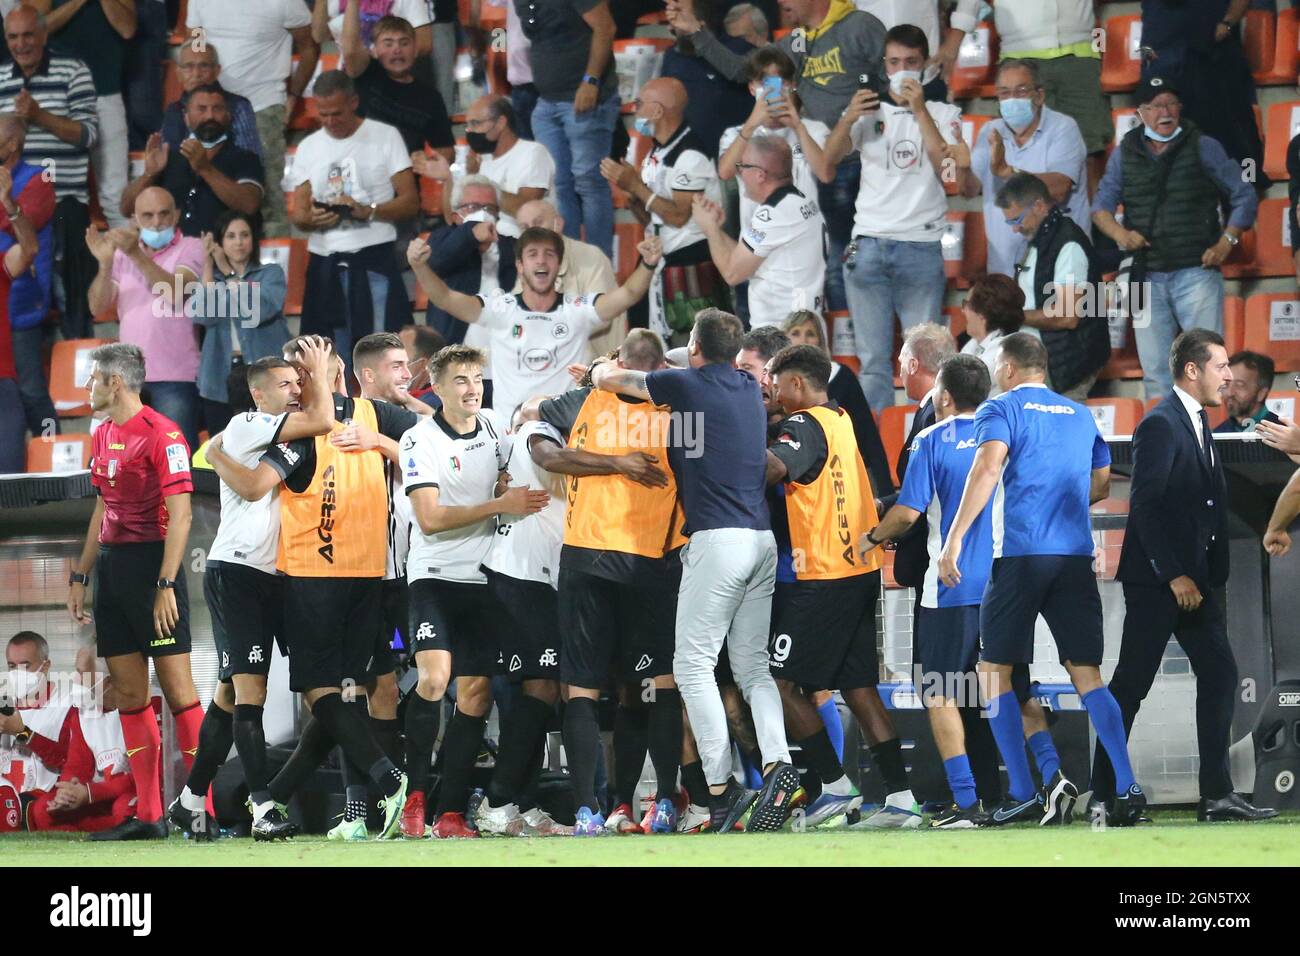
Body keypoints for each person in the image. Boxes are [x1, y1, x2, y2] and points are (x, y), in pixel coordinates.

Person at [591, 308, 798, 834]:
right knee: (752, 669)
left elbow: (614, 379)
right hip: (761, 541)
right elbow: (708, 358)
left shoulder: (684, 385)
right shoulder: (750, 390)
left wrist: (598, 368)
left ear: (695, 348)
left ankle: (721, 790)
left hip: (718, 540)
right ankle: (780, 766)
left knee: (691, 667)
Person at [936, 332, 1149, 826]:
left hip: (1021, 555)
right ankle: (1128, 785)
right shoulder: (1078, 413)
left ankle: (1023, 791)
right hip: (1075, 556)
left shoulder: (1000, 409)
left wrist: (953, 540)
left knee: (993, 672)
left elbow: (988, 469)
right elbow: (1100, 482)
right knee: (1088, 675)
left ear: (1008, 368)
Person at [207, 334, 414, 841]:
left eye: (300, 373)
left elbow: (435, 446)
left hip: (345, 578)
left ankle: (382, 784)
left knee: (336, 692)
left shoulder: (362, 418)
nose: (296, 383)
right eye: (290, 376)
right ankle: (349, 810)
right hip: (346, 575)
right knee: (340, 693)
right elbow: (257, 484)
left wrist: (384, 437)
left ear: (325, 371)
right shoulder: (304, 428)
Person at [1093, 329, 1275, 824]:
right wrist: (1174, 574)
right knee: (1132, 683)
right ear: (1191, 370)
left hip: (1195, 583)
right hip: (1160, 583)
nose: (1229, 376)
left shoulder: (1196, 422)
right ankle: (1102, 794)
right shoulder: (1160, 424)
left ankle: (1216, 795)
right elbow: (1146, 507)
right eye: (1219, 366)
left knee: (1219, 675)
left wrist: (1204, 575)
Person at [168, 342, 336, 842]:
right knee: (251, 691)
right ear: (257, 394)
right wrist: (320, 373)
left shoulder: (266, 434)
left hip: (269, 574)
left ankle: (190, 799)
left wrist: (216, 455)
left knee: (228, 694)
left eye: (296, 383)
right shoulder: (247, 424)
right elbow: (322, 421)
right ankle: (263, 807)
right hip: (237, 570)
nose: (294, 391)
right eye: (284, 385)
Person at [528, 330, 685, 836]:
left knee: (585, 689)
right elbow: (541, 447)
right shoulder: (678, 405)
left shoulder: (580, 401)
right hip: (652, 562)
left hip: (590, 560)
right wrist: (619, 464)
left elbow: (542, 445)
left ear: (615, 361)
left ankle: (590, 810)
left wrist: (596, 460)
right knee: (650, 685)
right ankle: (658, 802)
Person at [763, 343, 923, 828]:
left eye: (774, 382)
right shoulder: (841, 417)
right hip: (859, 570)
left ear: (796, 384)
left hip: (825, 575)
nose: (769, 390)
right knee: (857, 685)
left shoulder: (804, 423)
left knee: (778, 680)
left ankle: (832, 786)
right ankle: (902, 799)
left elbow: (771, 469)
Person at [665, 0, 887, 315]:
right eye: (765, 85)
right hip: (757, 243)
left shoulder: (857, 26)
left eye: (780, 84)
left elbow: (825, 170)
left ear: (792, 85)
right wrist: (753, 120)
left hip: (836, 188)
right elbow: (727, 171)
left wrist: (797, 122)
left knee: (835, 287)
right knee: (751, 313)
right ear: (754, 88)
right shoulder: (793, 45)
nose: (781, 3)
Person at [66, 343, 204, 840]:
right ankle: (149, 816)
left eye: (91, 380)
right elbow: (102, 509)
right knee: (127, 691)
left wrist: (166, 584)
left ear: (115, 383)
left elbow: (183, 515)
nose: (86, 389)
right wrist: (81, 575)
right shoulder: (101, 434)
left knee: (177, 688)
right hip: (112, 570)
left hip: (153, 567)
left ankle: (201, 810)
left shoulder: (162, 433)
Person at [399, 344, 538, 838]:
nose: (472, 387)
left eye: (477, 378)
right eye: (460, 380)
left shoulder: (496, 427)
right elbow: (431, 519)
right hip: (434, 575)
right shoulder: (420, 441)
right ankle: (413, 796)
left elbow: (515, 460)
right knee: (435, 681)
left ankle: (451, 811)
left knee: (476, 695)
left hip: (485, 578)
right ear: (436, 389)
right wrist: (500, 502)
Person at [861, 354, 994, 828]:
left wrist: (870, 539)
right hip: (1001, 582)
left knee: (939, 692)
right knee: (1002, 686)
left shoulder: (931, 439)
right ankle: (1033, 788)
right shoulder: (1003, 434)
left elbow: (908, 513)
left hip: (950, 584)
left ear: (944, 395)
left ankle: (966, 801)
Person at [821, 24, 973, 413]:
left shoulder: (943, 112)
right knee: (872, 363)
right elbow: (826, 163)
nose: (901, 69)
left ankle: (922, 445)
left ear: (925, 66)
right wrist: (848, 117)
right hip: (868, 243)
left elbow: (949, 173)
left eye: (910, 62)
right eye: (894, 62)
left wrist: (920, 109)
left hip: (920, 247)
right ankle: (875, 460)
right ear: (884, 66)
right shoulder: (867, 110)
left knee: (924, 362)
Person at [1092, 76, 1257, 400]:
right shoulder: (1125, 152)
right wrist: (1121, 235)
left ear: (1180, 108)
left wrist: (1228, 242)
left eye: (1170, 103)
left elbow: (1244, 195)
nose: (1164, 112)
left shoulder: (1203, 145)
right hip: (1146, 275)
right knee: (1156, 374)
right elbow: (1101, 208)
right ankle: (1166, 445)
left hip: (1196, 273)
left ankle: (1208, 444)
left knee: (1210, 370)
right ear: (1140, 112)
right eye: (1154, 106)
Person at [407, 226, 660, 419]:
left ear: (558, 265)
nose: (541, 261)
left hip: (568, 426)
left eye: (549, 254)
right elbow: (445, 298)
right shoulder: (500, 309)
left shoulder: (577, 309)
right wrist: (419, 266)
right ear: (519, 265)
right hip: (513, 432)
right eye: (533, 254)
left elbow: (627, 295)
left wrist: (648, 264)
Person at [290, 70, 418, 368]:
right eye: (323, 115)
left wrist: (370, 210)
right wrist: (315, 218)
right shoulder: (309, 146)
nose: (330, 121)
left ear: (354, 102)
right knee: (326, 357)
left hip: (374, 256)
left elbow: (410, 202)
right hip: (325, 259)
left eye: (337, 113)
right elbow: (299, 214)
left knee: (381, 352)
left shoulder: (385, 136)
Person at [1, 4, 98, 339]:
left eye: (29, 34)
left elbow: (89, 134)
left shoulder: (73, 71)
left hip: (64, 203)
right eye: (13, 36)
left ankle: (76, 357)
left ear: (44, 34)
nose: (21, 43)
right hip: (12, 208)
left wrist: (40, 116)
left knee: (71, 300)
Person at [599, 77, 724, 336]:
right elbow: (652, 219)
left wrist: (635, 186)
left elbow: (679, 216)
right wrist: (630, 192)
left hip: (688, 267)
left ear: (657, 110)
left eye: (639, 103)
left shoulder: (690, 154)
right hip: (657, 259)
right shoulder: (658, 153)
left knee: (688, 344)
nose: (635, 110)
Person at [185, 0, 320, 238]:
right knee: (207, 189)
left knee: (268, 195)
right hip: (211, 109)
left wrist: (293, 95)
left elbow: (309, 48)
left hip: (263, 105)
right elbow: (196, 40)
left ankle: (274, 269)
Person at [86, 187, 206, 453]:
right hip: (128, 379)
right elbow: (97, 306)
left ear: (176, 215)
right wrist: (105, 265)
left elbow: (175, 293)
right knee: (121, 460)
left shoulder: (192, 247)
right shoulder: (121, 255)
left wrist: (135, 255)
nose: (156, 222)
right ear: (135, 220)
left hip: (176, 377)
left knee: (177, 460)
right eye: (148, 215)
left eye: (163, 214)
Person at [965, 58, 1089, 279]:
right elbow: (969, 190)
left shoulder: (1063, 127)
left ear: (1039, 95)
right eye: (1004, 93)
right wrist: (961, 166)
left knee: (1060, 315)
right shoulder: (989, 131)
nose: (1011, 100)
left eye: (1021, 91)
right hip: (1005, 269)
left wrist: (1006, 172)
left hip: (1060, 266)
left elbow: (1060, 189)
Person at [975, 0, 1113, 195]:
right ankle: (1027, 222)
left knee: (1090, 151)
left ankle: (1092, 224)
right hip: (1020, 55)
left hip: (1079, 56)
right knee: (1027, 151)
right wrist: (956, 35)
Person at [693, 135, 826, 330]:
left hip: (782, 333)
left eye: (743, 167)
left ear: (760, 174)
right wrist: (717, 228)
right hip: (800, 327)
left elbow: (732, 273)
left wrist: (710, 229)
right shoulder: (798, 200)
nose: (739, 173)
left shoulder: (773, 214)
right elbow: (746, 257)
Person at [997, 172, 1109, 401]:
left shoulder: (1068, 243)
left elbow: (1067, 316)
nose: (1015, 229)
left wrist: (1014, 316)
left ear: (1038, 206)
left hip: (1067, 367)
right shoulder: (1039, 240)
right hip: (1043, 361)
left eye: (1017, 220)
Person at [523, 0, 619, 259]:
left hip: (580, 95)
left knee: (589, 182)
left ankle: (598, 266)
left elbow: (605, 27)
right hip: (537, 93)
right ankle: (568, 264)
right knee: (558, 184)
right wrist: (495, 55)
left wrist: (591, 80)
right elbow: (500, 28)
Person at [190, 210, 291, 436]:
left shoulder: (270, 273)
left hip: (265, 372)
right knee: (223, 442)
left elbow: (260, 309)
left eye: (244, 235)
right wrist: (208, 264)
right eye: (231, 236)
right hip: (220, 373)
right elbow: (201, 315)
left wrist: (228, 272)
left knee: (272, 439)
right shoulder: (211, 279)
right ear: (220, 242)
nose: (239, 242)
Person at [37, 0, 136, 229]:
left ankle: (128, 262)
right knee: (51, 190)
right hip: (58, 96)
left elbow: (128, 29)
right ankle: (51, 262)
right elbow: (38, 28)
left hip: (105, 92)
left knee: (115, 193)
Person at [121, 84, 265, 239]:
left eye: (217, 109)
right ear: (186, 118)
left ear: (228, 117)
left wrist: (206, 169)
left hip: (223, 256)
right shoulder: (168, 159)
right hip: (172, 256)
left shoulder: (245, 158)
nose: (209, 116)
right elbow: (127, 208)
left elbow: (249, 205)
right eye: (201, 109)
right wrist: (149, 174)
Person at [1139, 0, 1262, 173]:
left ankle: (1248, 192)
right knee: (1169, 144)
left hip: (1216, 52)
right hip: (1164, 52)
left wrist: (1227, 23)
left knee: (1239, 145)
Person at [24, 647, 136, 834]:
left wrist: (89, 793)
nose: (75, 680)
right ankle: (103, 831)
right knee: (42, 810)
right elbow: (76, 765)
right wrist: (66, 792)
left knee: (125, 808)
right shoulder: (82, 711)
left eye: (81, 673)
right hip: (95, 796)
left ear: (110, 678)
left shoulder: (148, 704)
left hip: (128, 794)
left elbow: (147, 777)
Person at [781, 309, 893, 496]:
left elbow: (867, 435)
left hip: (839, 477)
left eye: (810, 334)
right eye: (795, 333)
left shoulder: (842, 376)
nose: (803, 340)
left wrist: (884, 491)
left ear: (821, 340)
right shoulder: (774, 381)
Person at [0, 114, 56, 446]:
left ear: (11, 144)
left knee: (32, 391)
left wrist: (7, 202)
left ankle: (52, 449)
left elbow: (25, 224)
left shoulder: (39, 179)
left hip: (21, 301)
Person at [339, 10, 454, 171]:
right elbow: (350, 51)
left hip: (403, 182)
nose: (397, 50)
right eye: (388, 43)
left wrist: (427, 162)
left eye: (404, 43)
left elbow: (446, 151)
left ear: (415, 50)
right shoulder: (365, 73)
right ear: (374, 50)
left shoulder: (431, 97)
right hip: (358, 175)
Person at [516, 198, 625, 357]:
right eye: (524, 227)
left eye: (538, 222)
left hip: (595, 370)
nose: (532, 232)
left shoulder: (590, 256)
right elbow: (517, 315)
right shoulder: (527, 265)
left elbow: (600, 316)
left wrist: (542, 326)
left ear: (558, 224)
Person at [421, 176, 514, 350]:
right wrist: (471, 234)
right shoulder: (442, 238)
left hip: (505, 351)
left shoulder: (512, 246)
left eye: (490, 208)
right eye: (473, 207)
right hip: (456, 353)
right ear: (456, 216)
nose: (484, 213)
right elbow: (436, 263)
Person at [660, 0, 758, 163]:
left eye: (682, 15)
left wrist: (696, 32)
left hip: (732, 162)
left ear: (702, 21)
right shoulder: (672, 56)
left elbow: (739, 71)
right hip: (683, 163)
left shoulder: (738, 50)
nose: (675, 22)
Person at [161, 41, 261, 157]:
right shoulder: (174, 110)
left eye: (204, 66)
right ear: (178, 74)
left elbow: (249, 159)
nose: (196, 74)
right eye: (188, 67)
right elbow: (166, 158)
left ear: (217, 71)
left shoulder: (237, 106)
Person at [959, 273, 1026, 398]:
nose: (962, 311)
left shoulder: (1002, 353)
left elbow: (957, 390)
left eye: (965, 305)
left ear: (981, 313)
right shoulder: (975, 344)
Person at [1215, 350, 1281, 434]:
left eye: (1239, 385)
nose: (1230, 393)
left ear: (1261, 393)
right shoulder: (1217, 435)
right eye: (1226, 384)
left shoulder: (1281, 436)